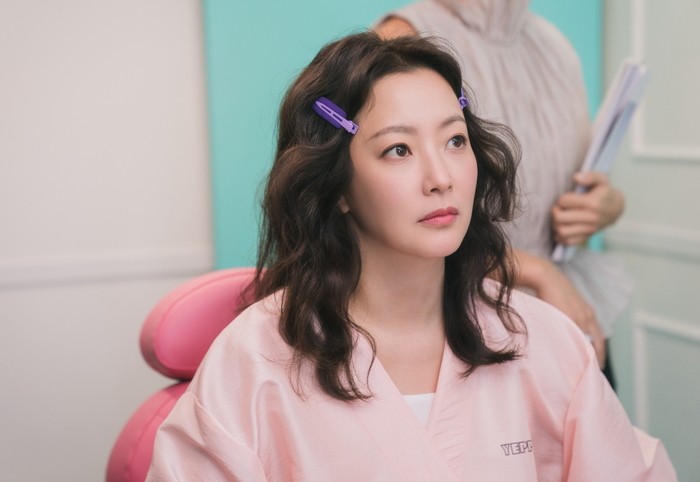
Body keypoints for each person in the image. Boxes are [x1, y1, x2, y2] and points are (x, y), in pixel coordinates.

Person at [146, 32, 674, 481]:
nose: (441, 177)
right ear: (337, 185)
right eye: (398, 150)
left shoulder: (544, 341)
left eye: (455, 141)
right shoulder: (253, 362)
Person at [375, 0, 634, 386]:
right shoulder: (405, 36)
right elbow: (385, 220)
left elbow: (572, 180)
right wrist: (534, 271)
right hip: (467, 325)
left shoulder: (556, 49)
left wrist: (606, 206)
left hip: (567, 313)